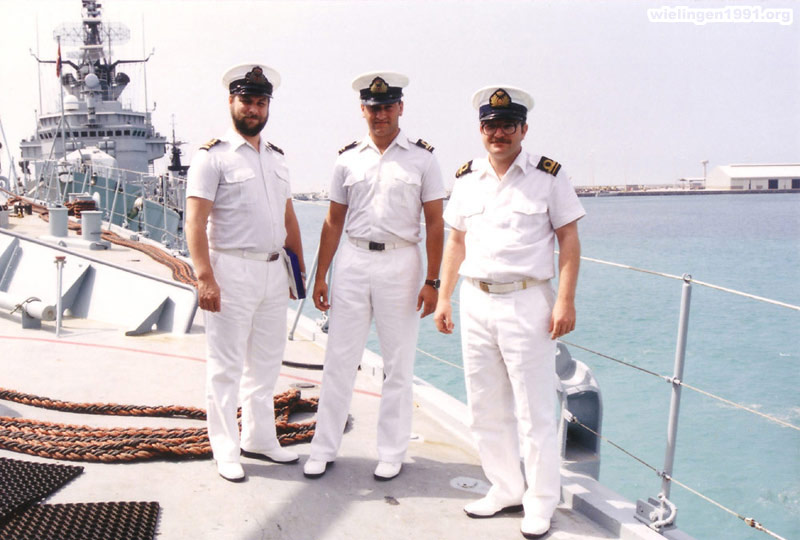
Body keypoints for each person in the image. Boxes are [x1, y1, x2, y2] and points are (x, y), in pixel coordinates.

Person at [433, 86, 585, 538]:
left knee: (534, 411)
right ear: (480, 129)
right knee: (484, 406)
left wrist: (565, 300)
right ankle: (505, 488)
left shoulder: (548, 176)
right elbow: (456, 241)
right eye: (490, 126)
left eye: (507, 126)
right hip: (475, 299)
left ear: (523, 129)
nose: (498, 134)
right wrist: (444, 297)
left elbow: (569, 240)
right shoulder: (466, 178)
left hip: (527, 301)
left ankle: (540, 502)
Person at [303, 71, 445, 481]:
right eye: (372, 108)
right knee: (339, 359)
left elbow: (436, 223)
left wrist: (433, 281)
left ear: (400, 108)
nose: (380, 115)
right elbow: (333, 221)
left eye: (386, 107)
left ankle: (392, 451)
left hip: (401, 263)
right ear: (362, 110)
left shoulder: (422, 159)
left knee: (398, 364)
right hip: (353, 259)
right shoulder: (347, 158)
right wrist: (321, 276)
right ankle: (323, 447)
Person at [185, 63, 305, 482]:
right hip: (231, 269)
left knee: (267, 363)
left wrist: (297, 272)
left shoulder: (277, 158)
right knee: (226, 366)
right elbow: (195, 222)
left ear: (268, 106)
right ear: (231, 102)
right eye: (246, 101)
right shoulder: (212, 157)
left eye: (260, 102)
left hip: (273, 271)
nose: (253, 109)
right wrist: (204, 277)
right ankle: (225, 448)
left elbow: (288, 217)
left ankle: (259, 438)